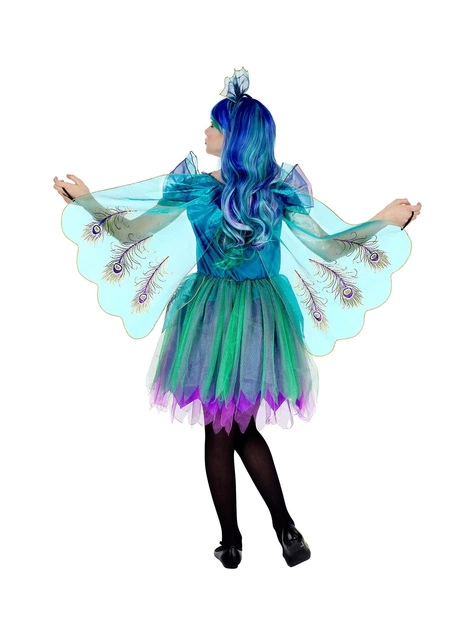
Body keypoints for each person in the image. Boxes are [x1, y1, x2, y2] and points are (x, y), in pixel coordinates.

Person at [53, 68, 422, 569]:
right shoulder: (258, 193)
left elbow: (131, 233)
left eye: (215, 124)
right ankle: (285, 530)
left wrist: (384, 219)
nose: (206, 131)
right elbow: (330, 247)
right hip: (253, 320)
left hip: (216, 317)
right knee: (238, 426)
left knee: (221, 429)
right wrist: (88, 200)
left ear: (235, 138)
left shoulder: (215, 191)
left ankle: (233, 540)